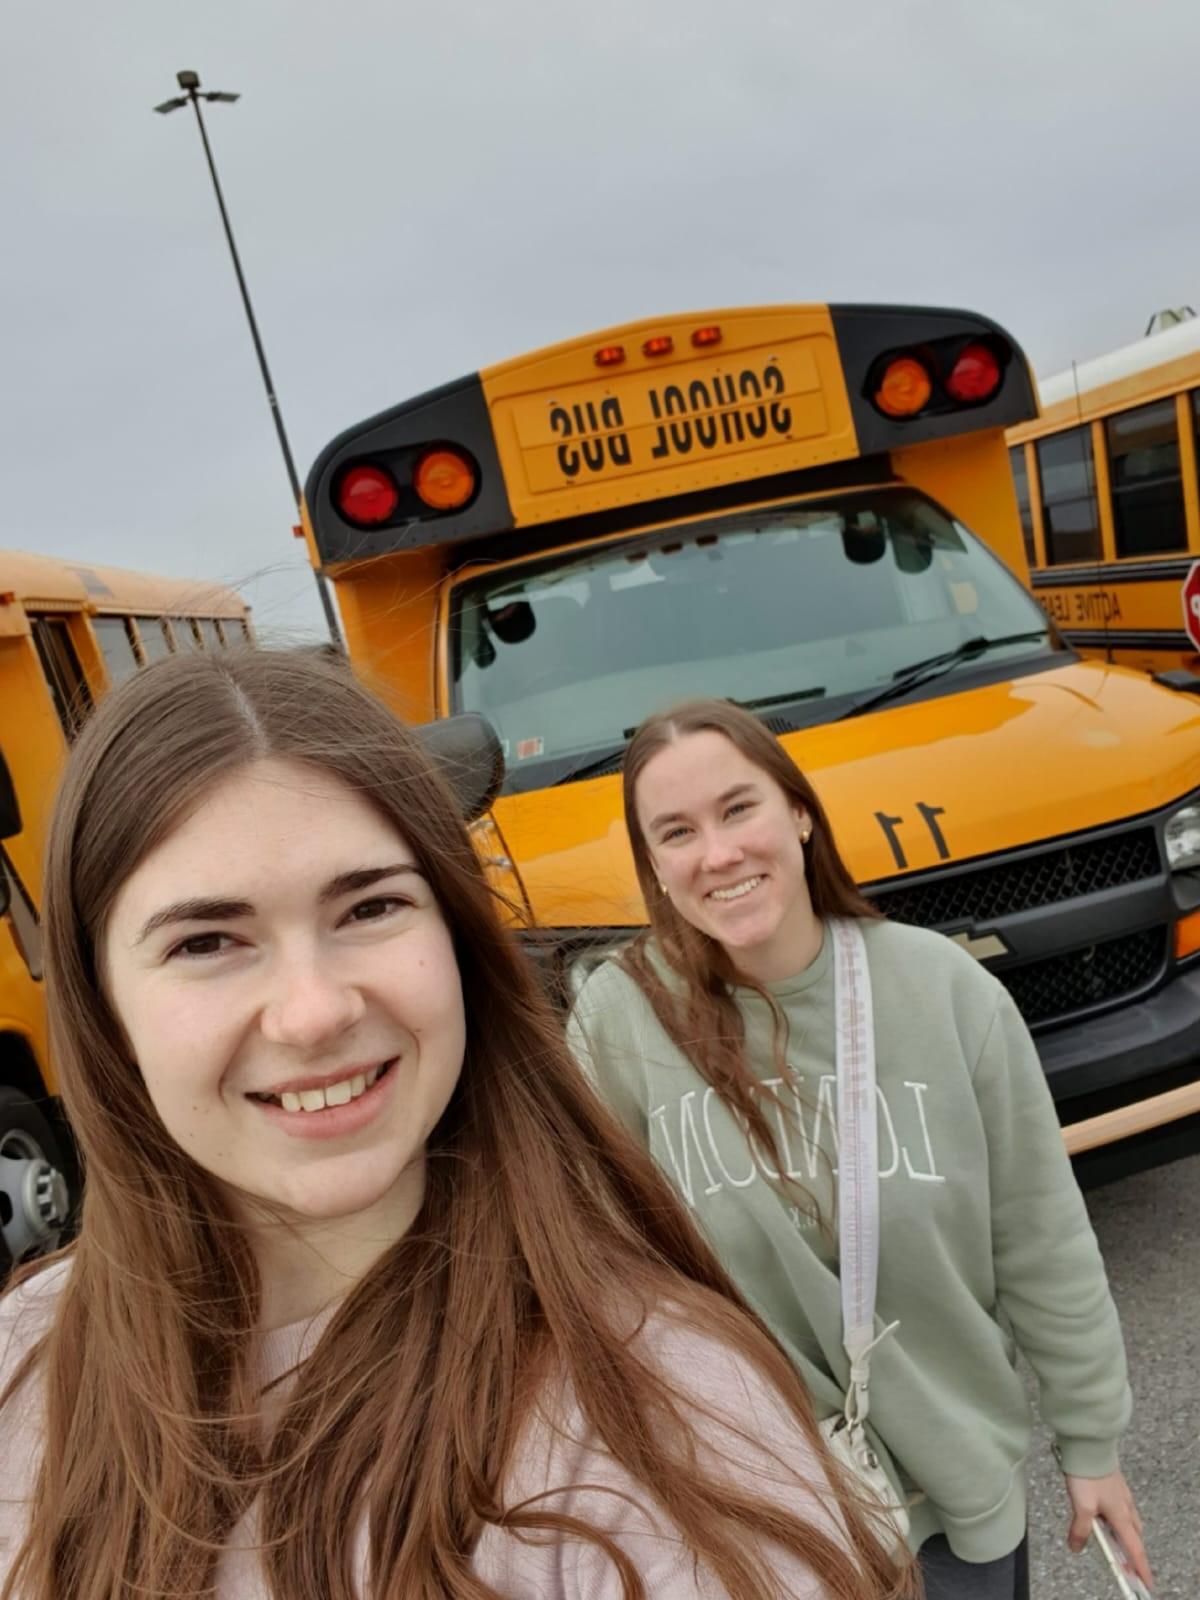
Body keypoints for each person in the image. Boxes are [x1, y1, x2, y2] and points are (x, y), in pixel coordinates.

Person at [0, 653, 914, 1600]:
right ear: (102, 1002)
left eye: (371, 907)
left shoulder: (666, 1421)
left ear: (459, 940)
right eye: (205, 942)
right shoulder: (21, 1359)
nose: (312, 1012)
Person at [567, 698, 1152, 1600]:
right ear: (653, 864)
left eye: (738, 809)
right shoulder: (619, 1019)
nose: (717, 854)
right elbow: (592, 1276)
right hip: (749, 1524)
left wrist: (1091, 1445)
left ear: (799, 813)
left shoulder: (943, 992)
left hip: (955, 1507)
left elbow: (1040, 1238)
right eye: (676, 832)